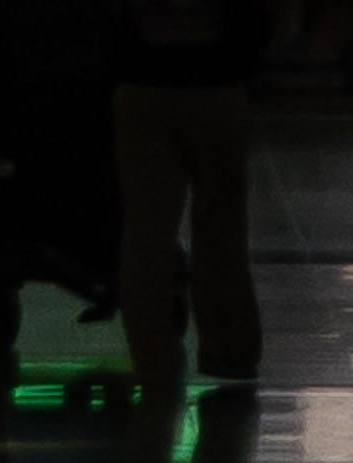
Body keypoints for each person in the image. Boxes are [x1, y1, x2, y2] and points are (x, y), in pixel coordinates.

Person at [99, 0, 271, 396]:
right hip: (216, 83)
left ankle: (152, 358)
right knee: (222, 227)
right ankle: (229, 351)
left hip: (141, 82)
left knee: (145, 231)